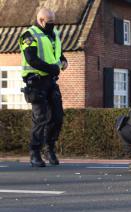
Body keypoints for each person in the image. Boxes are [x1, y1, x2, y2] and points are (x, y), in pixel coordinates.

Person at [18, 8, 68, 167]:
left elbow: (56, 52)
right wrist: (51, 68)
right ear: (41, 20)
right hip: (36, 82)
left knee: (57, 116)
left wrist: (63, 59)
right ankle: (35, 152)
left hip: (51, 81)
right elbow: (31, 59)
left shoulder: (54, 34)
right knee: (41, 118)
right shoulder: (29, 35)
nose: (53, 25)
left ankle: (49, 148)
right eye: (50, 22)